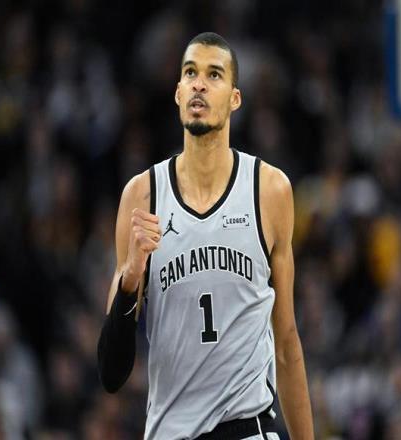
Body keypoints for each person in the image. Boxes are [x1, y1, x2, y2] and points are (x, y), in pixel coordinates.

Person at [97, 32, 314, 440]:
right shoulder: (142, 196)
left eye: (214, 75)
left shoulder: (269, 190)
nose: (199, 84)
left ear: (235, 98)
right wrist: (130, 281)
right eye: (190, 73)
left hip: (248, 428)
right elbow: (111, 373)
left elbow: (286, 343)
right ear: (178, 93)